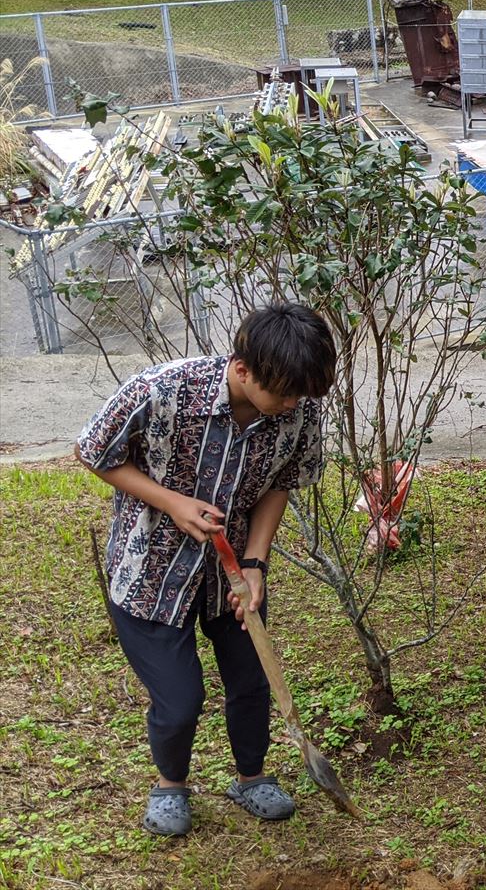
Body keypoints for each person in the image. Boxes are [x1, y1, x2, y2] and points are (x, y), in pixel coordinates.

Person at [75, 304, 337, 838]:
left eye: (301, 396)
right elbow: (92, 451)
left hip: (231, 574)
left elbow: (280, 484)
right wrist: (171, 502)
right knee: (180, 700)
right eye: (284, 393)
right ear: (243, 369)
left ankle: (251, 777)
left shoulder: (297, 411)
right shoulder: (163, 389)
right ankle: (170, 784)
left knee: (251, 679)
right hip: (151, 572)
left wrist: (256, 562)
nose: (293, 405)